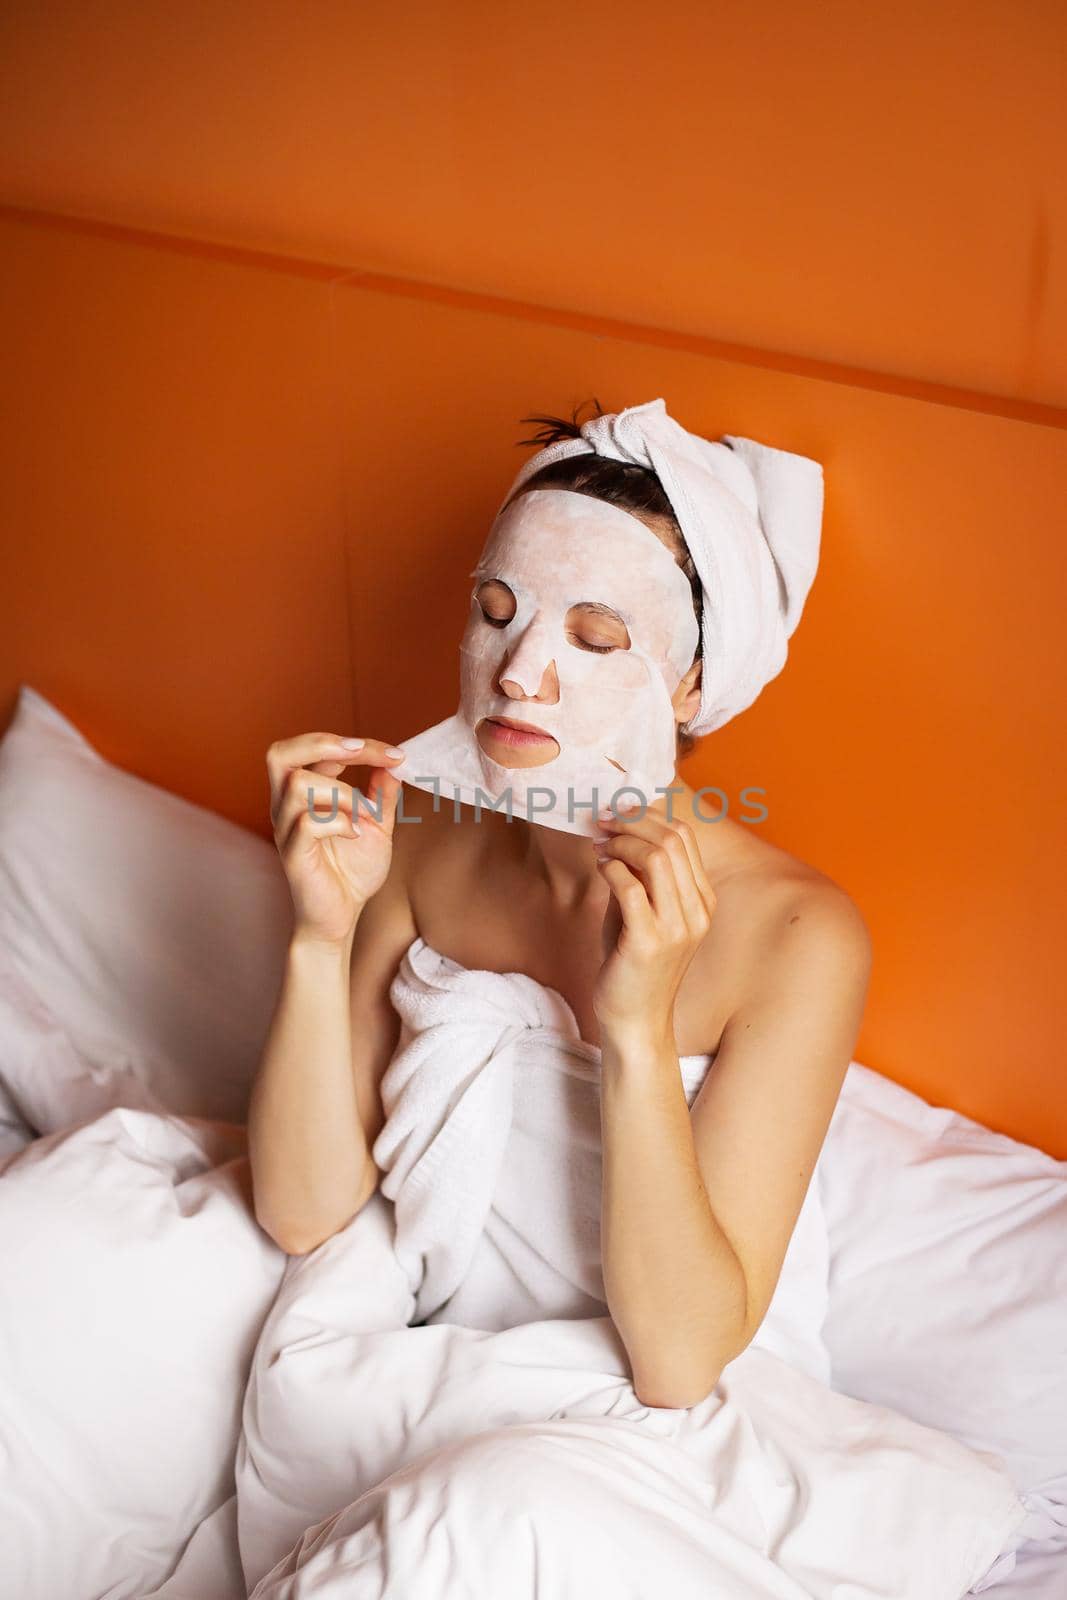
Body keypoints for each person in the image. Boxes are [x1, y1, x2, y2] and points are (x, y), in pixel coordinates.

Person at [248, 397, 871, 1409]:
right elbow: (302, 1212)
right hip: (415, 1348)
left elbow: (678, 1364)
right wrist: (319, 937)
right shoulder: (420, 833)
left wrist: (634, 1027)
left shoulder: (793, 936)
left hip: (636, 1404)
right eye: (496, 612)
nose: (518, 675)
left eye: (592, 637)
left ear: (687, 684)